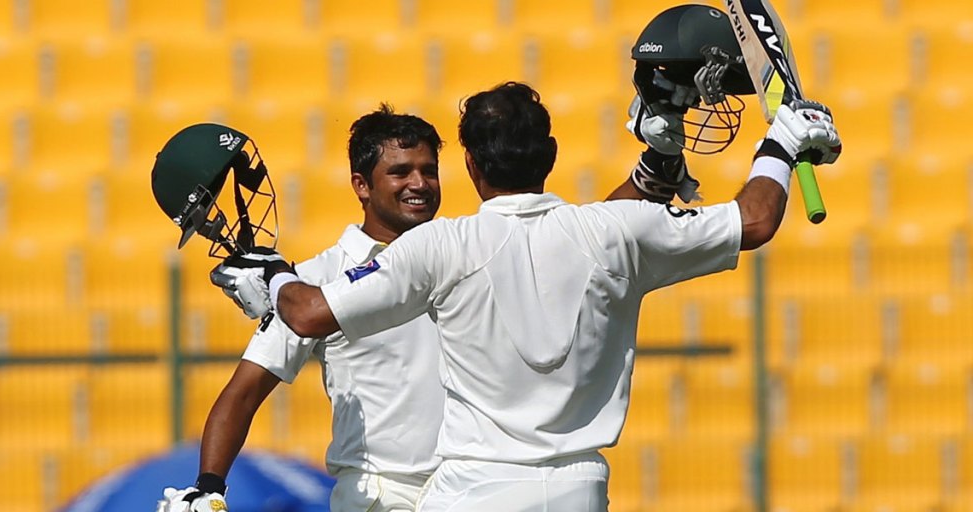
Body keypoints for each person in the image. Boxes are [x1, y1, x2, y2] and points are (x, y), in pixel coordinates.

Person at [215, 15, 841, 512]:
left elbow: (307, 312)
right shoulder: (613, 230)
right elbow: (754, 220)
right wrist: (780, 144)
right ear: (550, 155)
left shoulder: (440, 245)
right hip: (579, 491)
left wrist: (273, 274)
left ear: (470, 168)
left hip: (472, 491)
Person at [157, 104, 447, 512]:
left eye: (428, 170)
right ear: (362, 185)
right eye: (400, 172)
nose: (419, 183)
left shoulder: (461, 253)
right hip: (381, 496)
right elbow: (243, 393)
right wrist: (208, 486)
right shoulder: (310, 283)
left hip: (466, 486)